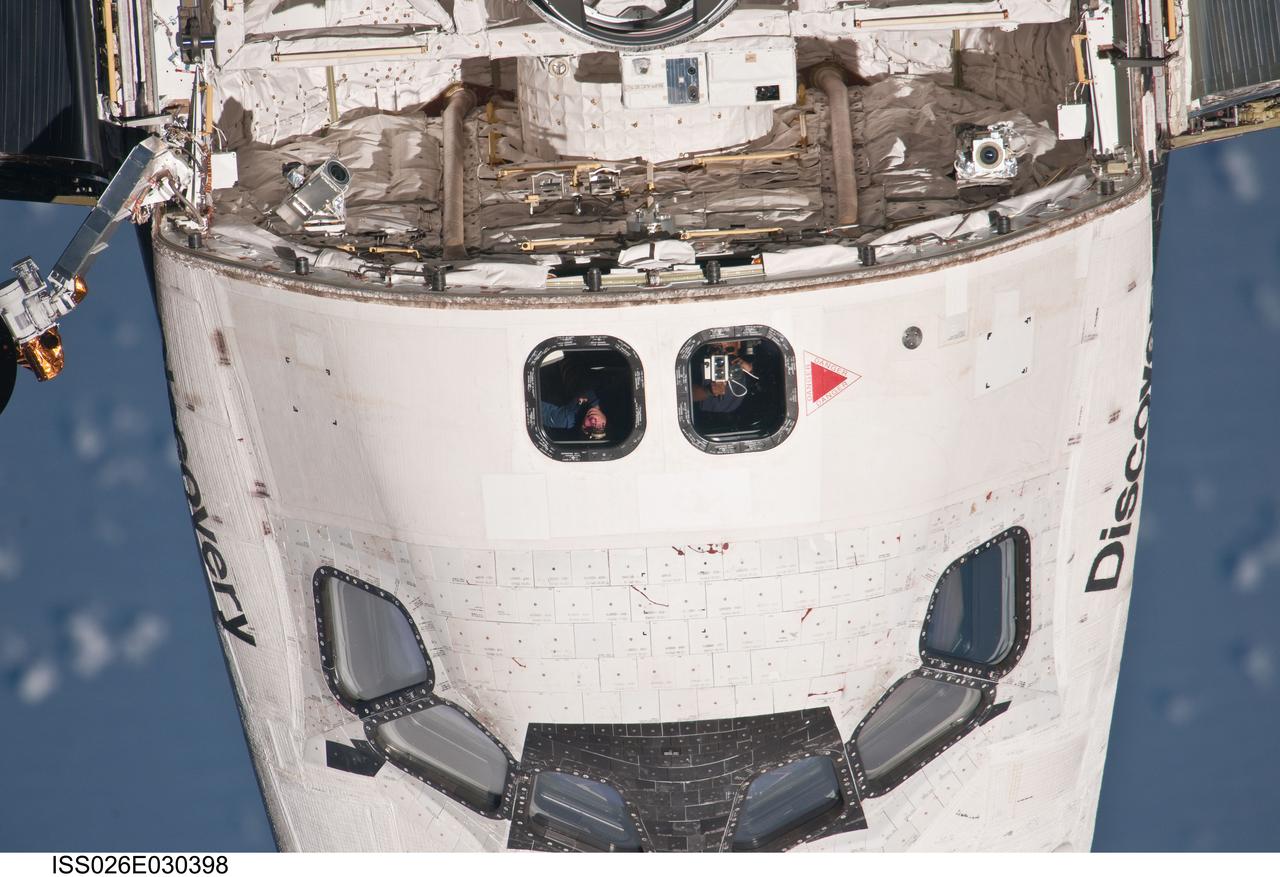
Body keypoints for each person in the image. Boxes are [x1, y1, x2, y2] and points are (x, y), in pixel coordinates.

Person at [540, 388, 608, 439]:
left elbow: (537, 409)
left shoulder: (565, 419)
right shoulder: (608, 396)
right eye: (600, 426)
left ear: (583, 427)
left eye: (590, 427)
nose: (593, 420)